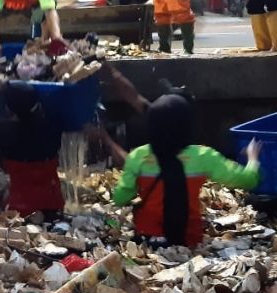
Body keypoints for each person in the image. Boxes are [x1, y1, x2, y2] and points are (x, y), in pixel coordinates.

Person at [111, 94, 261, 248]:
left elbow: (119, 198)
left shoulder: (138, 157)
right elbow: (248, 180)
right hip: (188, 241)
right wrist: (253, 158)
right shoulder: (203, 156)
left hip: (147, 240)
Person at [0, 78, 64, 217]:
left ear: (8, 108)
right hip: (53, 203)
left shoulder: (3, 130)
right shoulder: (52, 124)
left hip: (19, 209)